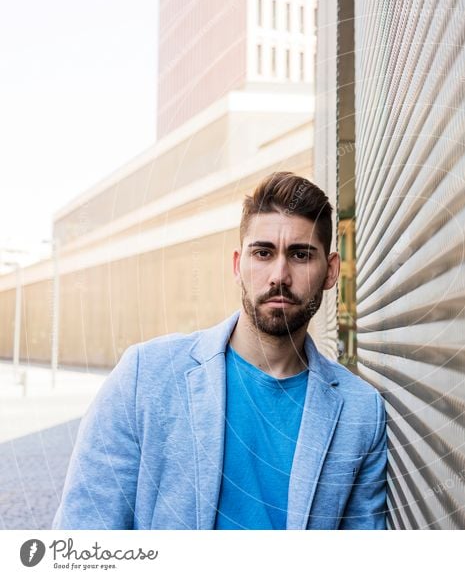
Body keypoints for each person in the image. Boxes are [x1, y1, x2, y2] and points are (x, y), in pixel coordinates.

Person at [52, 172, 388, 530]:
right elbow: (85, 532)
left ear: (331, 271)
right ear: (237, 266)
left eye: (300, 255)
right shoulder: (144, 376)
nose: (279, 275)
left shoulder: (360, 411)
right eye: (262, 253)